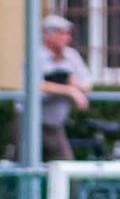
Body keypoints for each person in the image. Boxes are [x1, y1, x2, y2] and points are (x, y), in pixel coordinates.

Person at [36, 14, 92, 161]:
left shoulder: (71, 56)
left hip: (54, 123)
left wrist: (75, 85)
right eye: (62, 33)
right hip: (30, 121)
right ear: (48, 35)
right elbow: (37, 85)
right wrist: (69, 89)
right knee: (26, 165)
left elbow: (87, 82)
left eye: (68, 33)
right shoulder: (36, 56)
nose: (67, 38)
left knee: (64, 166)